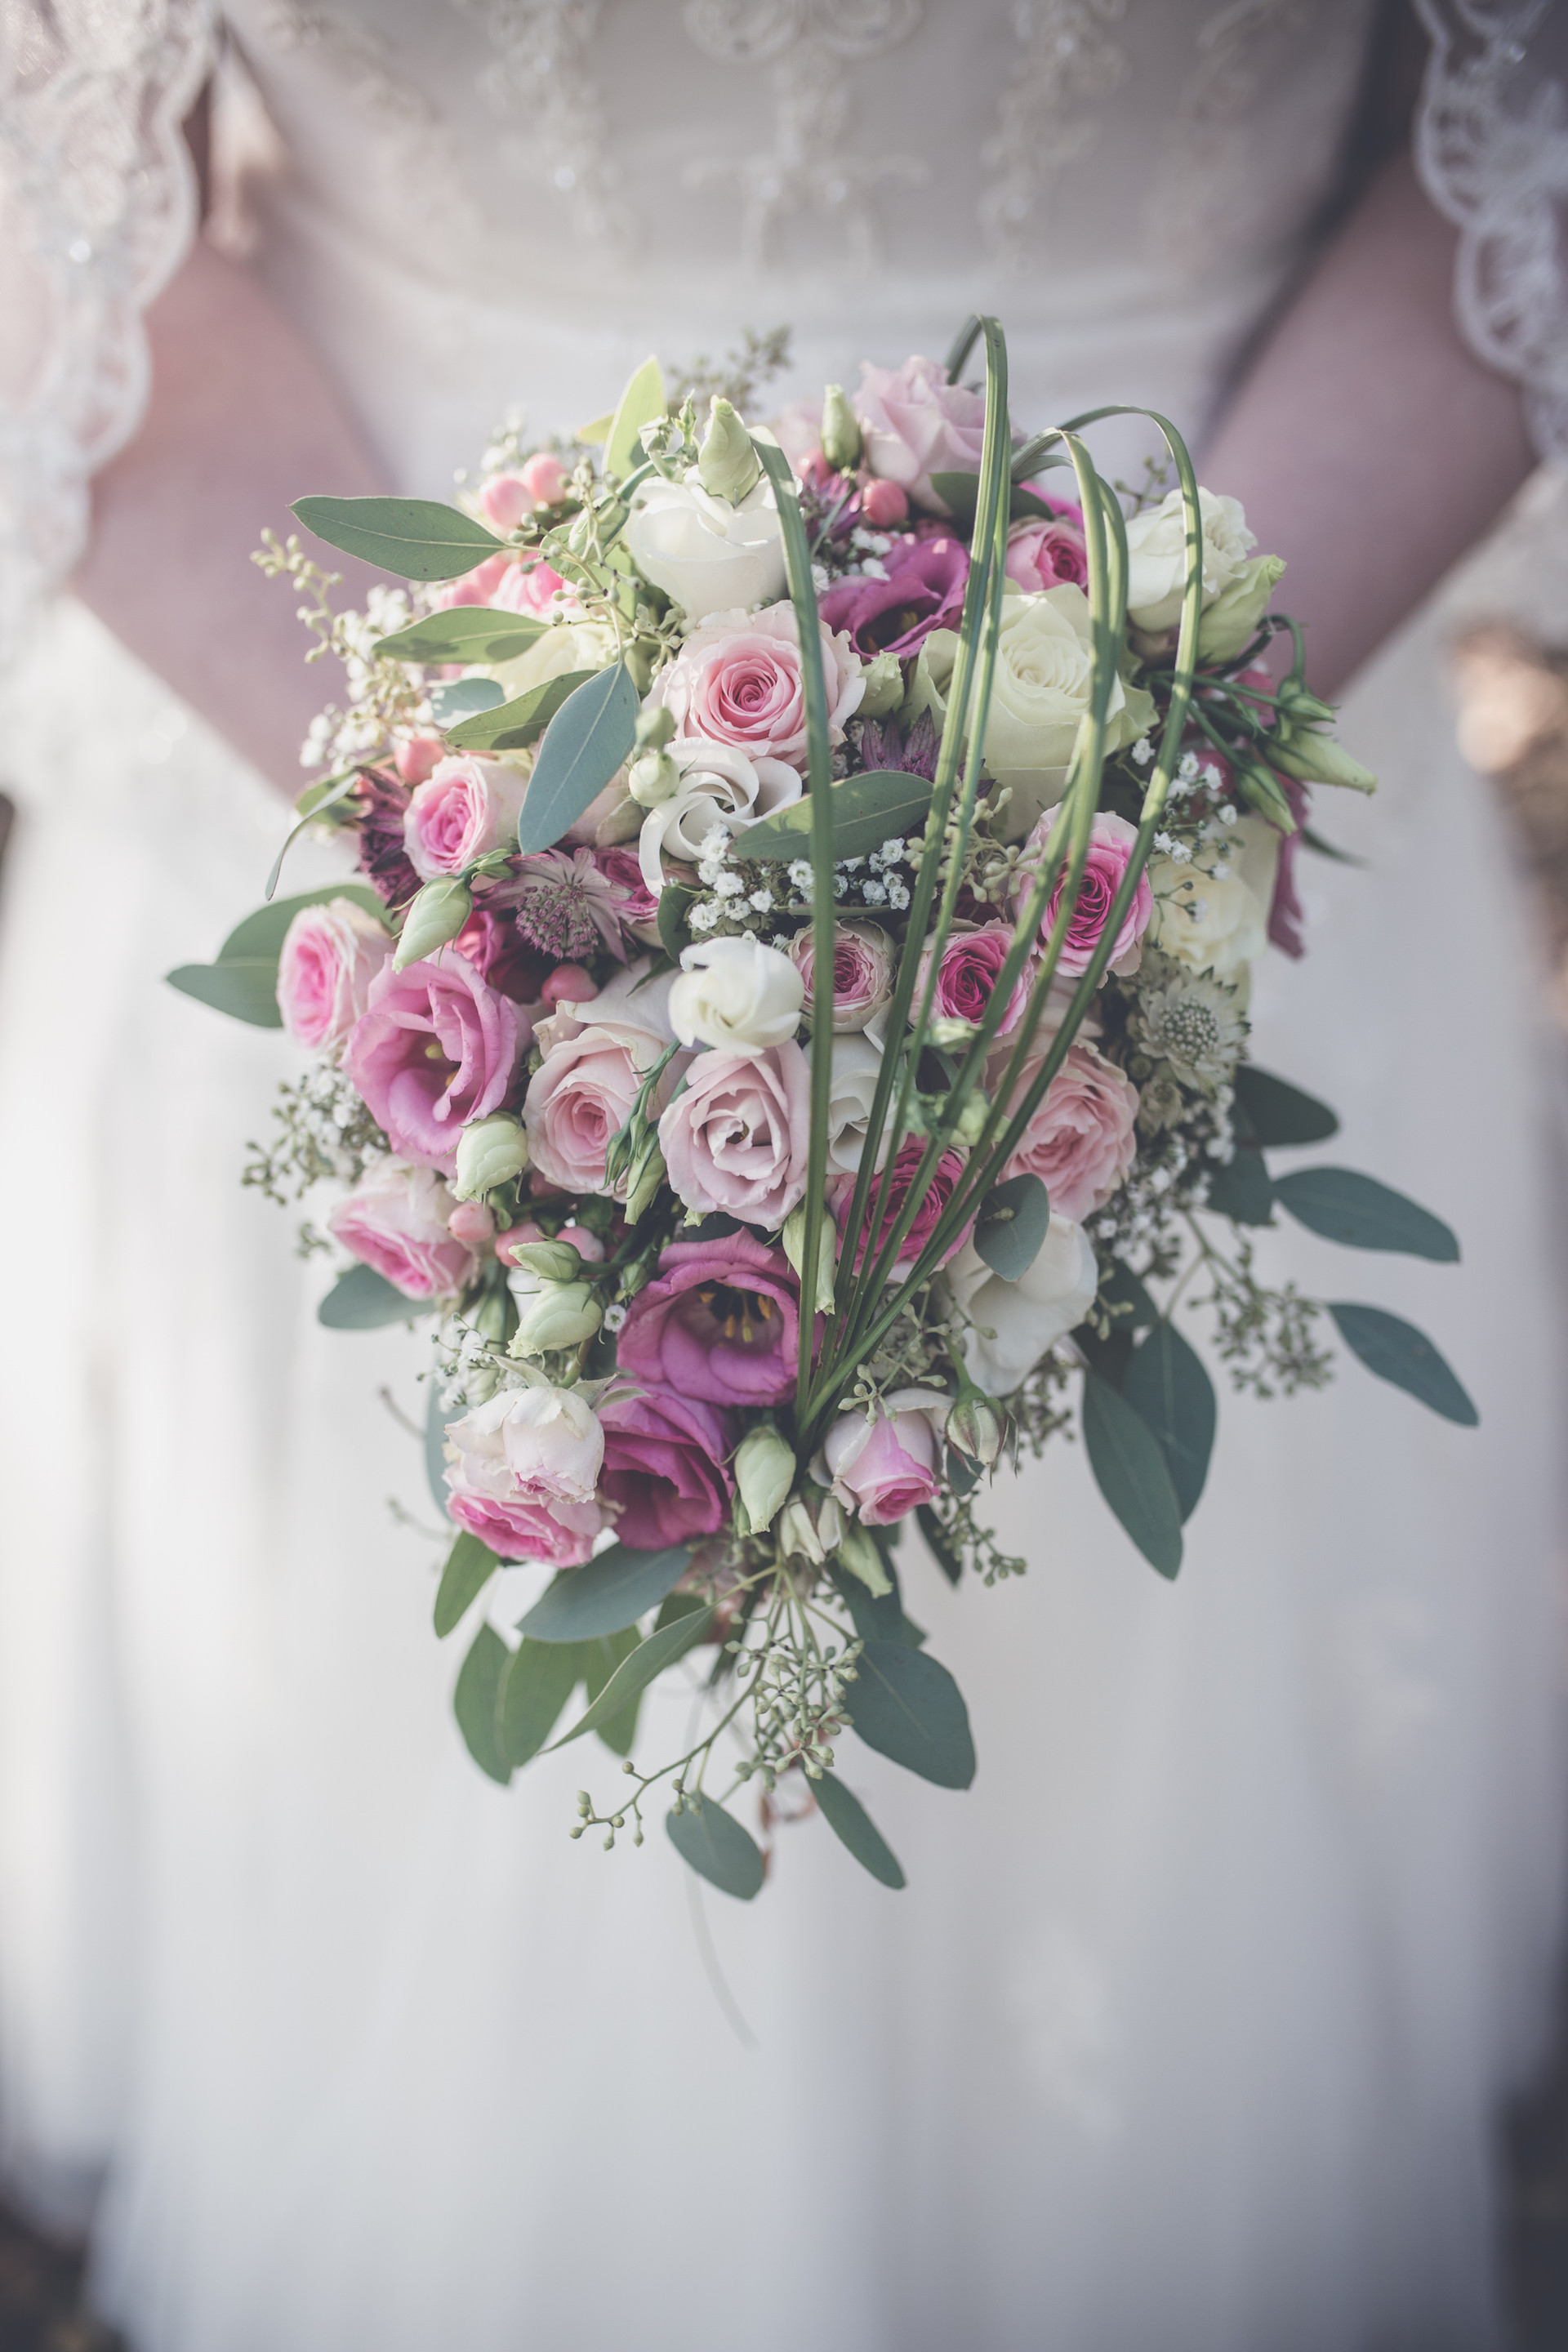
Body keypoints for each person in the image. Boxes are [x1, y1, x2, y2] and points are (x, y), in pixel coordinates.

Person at [0, 3, 1565, 2345]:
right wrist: (502, 912)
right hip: (350, 676)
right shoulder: (435, 849)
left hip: (1225, 643)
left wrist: (1102, 823)